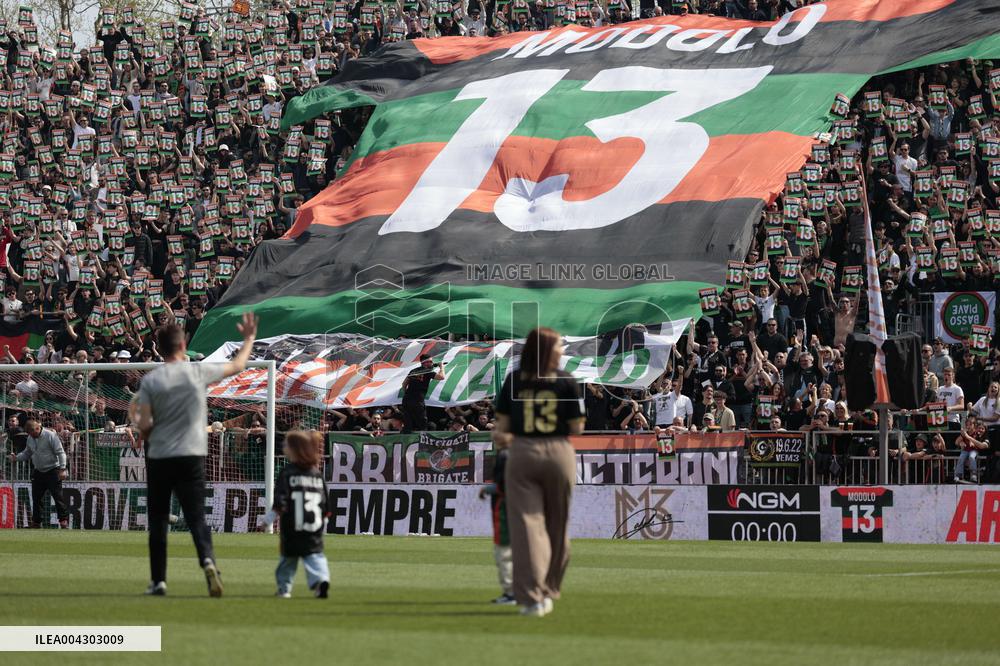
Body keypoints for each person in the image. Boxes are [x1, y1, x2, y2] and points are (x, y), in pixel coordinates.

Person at [132, 312, 258, 597]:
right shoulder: (197, 371)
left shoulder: (151, 381)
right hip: (192, 454)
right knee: (196, 518)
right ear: (183, 345)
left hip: (161, 456)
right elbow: (238, 364)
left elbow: (145, 426)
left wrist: (149, 434)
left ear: (159, 348)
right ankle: (209, 562)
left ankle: (159, 581)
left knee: (159, 520)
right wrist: (249, 338)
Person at [493, 327, 584, 617]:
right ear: (546, 350)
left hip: (521, 452)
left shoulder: (513, 380)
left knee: (527, 527)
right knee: (557, 526)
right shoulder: (567, 381)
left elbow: (501, 430)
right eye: (558, 345)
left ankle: (532, 597)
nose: (562, 350)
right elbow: (576, 428)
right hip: (558, 452)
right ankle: (548, 589)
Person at [259, 431, 331, 599]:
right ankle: (321, 580)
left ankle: (284, 589)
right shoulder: (317, 474)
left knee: (288, 560)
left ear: (295, 449)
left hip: (292, 527)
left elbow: (280, 501)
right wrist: (323, 523)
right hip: (314, 528)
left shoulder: (287, 472)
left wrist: (268, 520)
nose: (283, 447)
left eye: (286, 444)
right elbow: (326, 504)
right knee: (315, 556)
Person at [9, 418, 69, 528]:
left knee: (58, 496)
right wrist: (16, 458)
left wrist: (62, 469)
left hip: (53, 470)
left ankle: (63, 520)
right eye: (29, 434)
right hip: (38, 471)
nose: (31, 435)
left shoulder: (50, 435)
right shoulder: (30, 438)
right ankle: (36, 522)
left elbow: (61, 453)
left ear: (38, 428)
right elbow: (27, 453)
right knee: (36, 498)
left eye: (33, 433)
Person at [478, 448, 514, 605]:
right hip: (517, 508)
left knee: (504, 552)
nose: (494, 433)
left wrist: (489, 489)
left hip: (506, 509)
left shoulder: (506, 455)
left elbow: (507, 485)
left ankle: (511, 594)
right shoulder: (518, 452)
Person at [400, 354, 445, 432]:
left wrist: (407, 394)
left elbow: (404, 384)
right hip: (418, 401)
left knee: (408, 423)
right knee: (422, 424)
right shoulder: (428, 371)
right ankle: (423, 441)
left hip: (407, 400)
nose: (431, 363)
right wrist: (441, 367)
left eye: (432, 362)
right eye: (430, 362)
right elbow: (442, 377)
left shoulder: (413, 371)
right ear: (424, 363)